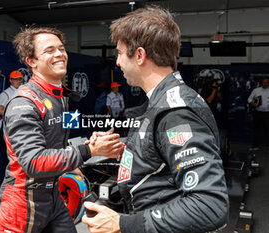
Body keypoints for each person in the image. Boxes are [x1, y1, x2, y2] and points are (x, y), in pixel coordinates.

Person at [82, 5, 229, 233]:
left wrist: (121, 224)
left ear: (139, 55)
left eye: (120, 53)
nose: (118, 62)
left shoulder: (176, 112)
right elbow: (162, 157)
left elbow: (209, 206)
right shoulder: (160, 102)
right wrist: (120, 150)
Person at [0, 27, 123, 233]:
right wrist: (90, 151)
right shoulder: (23, 103)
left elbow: (60, 145)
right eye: (49, 50)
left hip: (53, 196)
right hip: (23, 203)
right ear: (32, 61)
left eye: (61, 48)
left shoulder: (61, 97)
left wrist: (88, 145)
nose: (59, 54)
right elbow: (34, 162)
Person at [247, 77, 269, 151]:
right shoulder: (256, 90)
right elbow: (249, 99)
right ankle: (255, 146)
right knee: (256, 129)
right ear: (261, 82)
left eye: (267, 82)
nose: (265, 84)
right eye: (264, 82)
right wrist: (254, 103)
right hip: (257, 113)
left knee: (267, 130)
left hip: (267, 113)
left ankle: (268, 146)